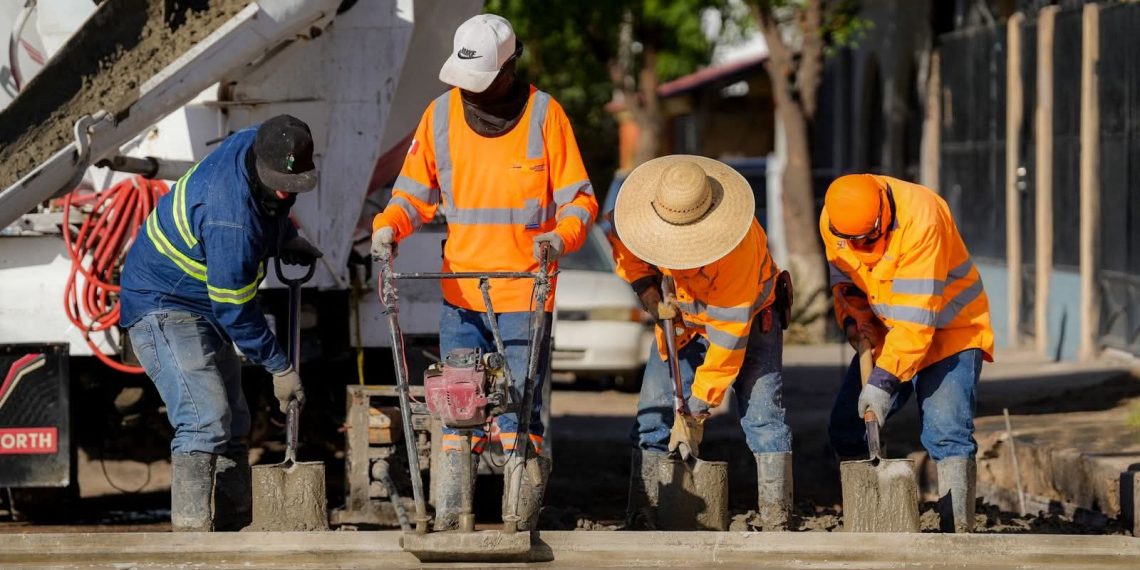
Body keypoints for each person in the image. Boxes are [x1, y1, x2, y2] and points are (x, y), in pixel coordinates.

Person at [369, 14, 597, 530]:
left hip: (523, 294)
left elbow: (579, 201)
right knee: (457, 407)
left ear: (509, 67)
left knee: (518, 411)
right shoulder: (440, 117)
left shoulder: (545, 115)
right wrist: (390, 225)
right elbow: (412, 194)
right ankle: (453, 517)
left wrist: (559, 238)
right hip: (461, 295)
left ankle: (519, 518)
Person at [119, 115, 322, 532]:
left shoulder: (257, 141)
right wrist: (279, 368)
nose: (286, 192)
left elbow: (270, 202)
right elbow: (235, 309)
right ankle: (192, 539)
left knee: (233, 419)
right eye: (279, 184)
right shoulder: (229, 219)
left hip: (201, 300)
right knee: (204, 417)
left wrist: (283, 234)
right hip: (163, 305)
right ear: (259, 166)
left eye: (294, 184)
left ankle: (234, 526)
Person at [607, 155, 794, 531]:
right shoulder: (637, 216)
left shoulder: (737, 250)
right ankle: (643, 509)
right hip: (682, 321)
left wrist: (696, 408)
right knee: (653, 414)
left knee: (763, 417)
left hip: (750, 322)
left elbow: (727, 342)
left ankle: (777, 516)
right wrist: (650, 297)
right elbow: (626, 249)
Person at [820, 173, 994, 533]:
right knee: (847, 425)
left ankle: (957, 532)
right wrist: (855, 320)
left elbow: (916, 324)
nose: (861, 246)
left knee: (946, 432)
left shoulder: (922, 218)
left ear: (884, 218)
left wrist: (882, 383)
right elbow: (847, 280)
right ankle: (868, 517)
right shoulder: (833, 221)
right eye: (852, 241)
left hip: (951, 331)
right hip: (888, 330)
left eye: (869, 238)